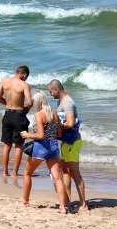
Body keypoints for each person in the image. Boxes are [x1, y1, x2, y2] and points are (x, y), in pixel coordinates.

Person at [19, 91, 67, 214]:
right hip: (54, 146)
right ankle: (63, 207)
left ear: (38, 102)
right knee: (57, 178)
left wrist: (27, 135)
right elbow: (58, 133)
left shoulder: (39, 114)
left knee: (27, 173)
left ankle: (25, 201)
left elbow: (40, 135)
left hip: (42, 148)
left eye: (34, 102)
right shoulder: (54, 113)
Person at [48, 79, 87, 211]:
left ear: (57, 90)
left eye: (50, 92)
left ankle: (83, 204)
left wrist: (55, 127)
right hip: (65, 142)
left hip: (72, 142)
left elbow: (70, 123)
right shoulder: (61, 102)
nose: (50, 94)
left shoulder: (68, 103)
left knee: (75, 173)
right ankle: (67, 200)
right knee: (64, 170)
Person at [0, 65, 32, 181]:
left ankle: (4, 171)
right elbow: (30, 102)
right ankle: (14, 173)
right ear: (24, 75)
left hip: (7, 114)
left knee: (6, 144)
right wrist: (26, 109)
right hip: (19, 115)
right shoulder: (24, 85)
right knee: (18, 145)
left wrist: (7, 103)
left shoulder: (4, 81)